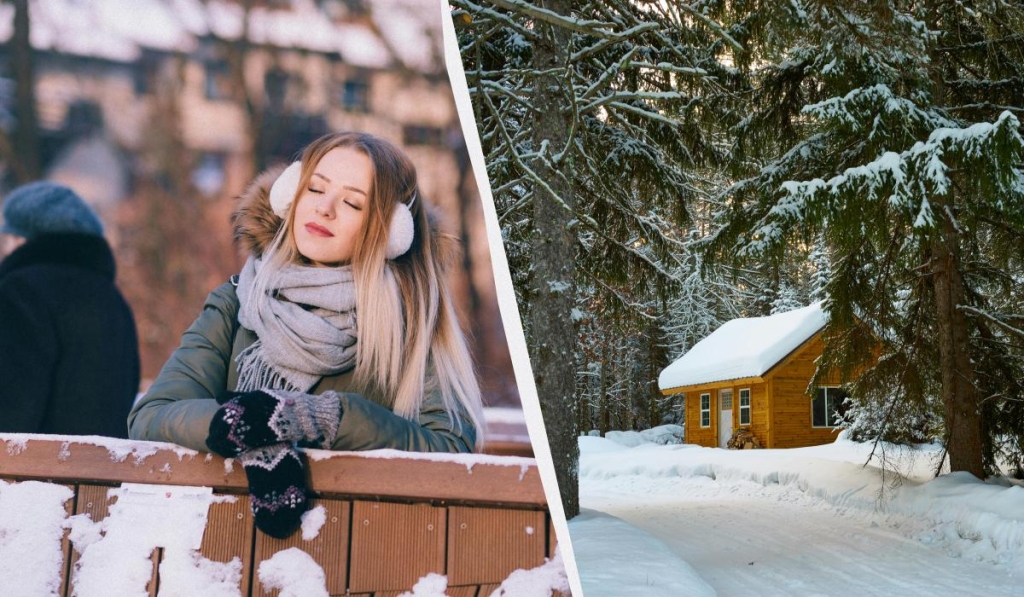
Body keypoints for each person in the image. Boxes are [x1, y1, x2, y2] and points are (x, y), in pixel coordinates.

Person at [128, 131, 486, 538]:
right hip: (219, 547)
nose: (324, 208)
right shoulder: (236, 301)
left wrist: (327, 419)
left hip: (357, 553)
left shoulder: (412, 323)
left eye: (352, 202)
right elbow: (152, 415)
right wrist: (247, 426)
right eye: (314, 188)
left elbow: (450, 448)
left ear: (389, 233)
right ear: (289, 196)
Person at [0, 182, 140, 437]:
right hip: (103, 470)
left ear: (21, 239)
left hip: (30, 472)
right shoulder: (113, 300)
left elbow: (11, 404)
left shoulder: (20, 291)